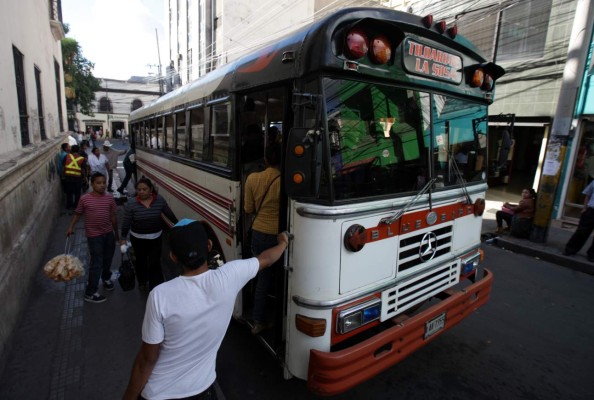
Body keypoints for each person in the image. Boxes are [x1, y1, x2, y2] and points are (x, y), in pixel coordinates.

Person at [122, 220, 289, 400]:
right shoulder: (230, 276)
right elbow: (266, 258)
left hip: (159, 393)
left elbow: (147, 360)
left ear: (174, 257)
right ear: (209, 246)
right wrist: (283, 242)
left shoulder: (159, 296)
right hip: (203, 391)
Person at [243, 144, 281, 334]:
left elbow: (248, 209)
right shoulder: (286, 182)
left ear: (265, 160)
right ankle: (277, 317)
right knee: (279, 277)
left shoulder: (252, 178)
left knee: (262, 278)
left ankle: (258, 321)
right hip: (277, 237)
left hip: (258, 233)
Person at [66, 172, 120, 303]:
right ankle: (90, 292)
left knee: (108, 258)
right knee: (96, 262)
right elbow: (78, 213)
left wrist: (117, 235)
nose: (102, 185)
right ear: (92, 184)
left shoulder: (109, 198)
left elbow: (113, 217)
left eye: (104, 183)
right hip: (94, 236)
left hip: (108, 234)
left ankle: (106, 278)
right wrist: (71, 227)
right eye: (98, 183)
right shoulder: (85, 199)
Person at [120, 177, 178, 291]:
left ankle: (155, 287)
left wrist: (179, 225)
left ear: (150, 189)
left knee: (154, 263)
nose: (141, 192)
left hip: (156, 238)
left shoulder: (159, 200)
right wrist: (123, 237)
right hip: (138, 239)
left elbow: (169, 215)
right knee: (140, 261)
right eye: (139, 189)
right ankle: (142, 281)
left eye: (144, 189)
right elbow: (126, 222)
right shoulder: (132, 203)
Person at [564, 180, 594, 260]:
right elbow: (588, 194)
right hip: (591, 210)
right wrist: (584, 208)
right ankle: (570, 249)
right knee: (582, 231)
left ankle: (592, 255)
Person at [62, 145, 88, 211]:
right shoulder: (81, 158)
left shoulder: (67, 156)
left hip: (68, 177)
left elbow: (64, 167)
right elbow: (83, 169)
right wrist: (85, 177)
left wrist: (63, 175)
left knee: (69, 192)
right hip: (77, 178)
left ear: (71, 150)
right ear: (78, 150)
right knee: (77, 193)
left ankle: (69, 206)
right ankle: (76, 206)